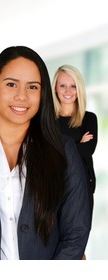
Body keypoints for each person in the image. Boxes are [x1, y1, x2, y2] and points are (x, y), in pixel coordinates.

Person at [0, 46, 90, 260]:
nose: (22, 96)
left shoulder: (62, 149)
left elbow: (76, 233)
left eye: (33, 87)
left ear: (43, 93)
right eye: (11, 84)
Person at [52, 64, 97, 216]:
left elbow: (88, 150)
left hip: (82, 188)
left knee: (79, 236)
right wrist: (78, 145)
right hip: (53, 190)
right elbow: (48, 154)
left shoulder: (89, 119)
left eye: (73, 86)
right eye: (63, 85)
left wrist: (60, 148)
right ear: (55, 89)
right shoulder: (48, 121)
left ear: (79, 88)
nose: (68, 91)